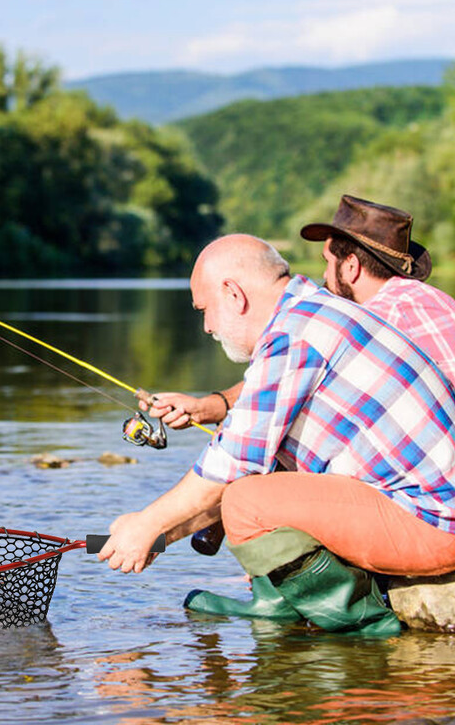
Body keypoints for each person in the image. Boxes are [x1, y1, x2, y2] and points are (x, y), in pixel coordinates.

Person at [99, 234, 455, 637]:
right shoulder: (309, 313)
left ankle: (359, 621)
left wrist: (147, 524)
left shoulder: (294, 335)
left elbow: (230, 467)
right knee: (257, 486)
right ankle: (287, 606)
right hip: (425, 510)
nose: (207, 326)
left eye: (205, 310)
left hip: (435, 523)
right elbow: (245, 463)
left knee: (247, 499)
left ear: (234, 294)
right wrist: (155, 535)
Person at [148, 196, 455, 431]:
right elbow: (288, 374)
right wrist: (214, 406)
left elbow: (291, 376)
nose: (323, 277)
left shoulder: (374, 321)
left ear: (350, 266)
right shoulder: (421, 299)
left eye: (327, 263)